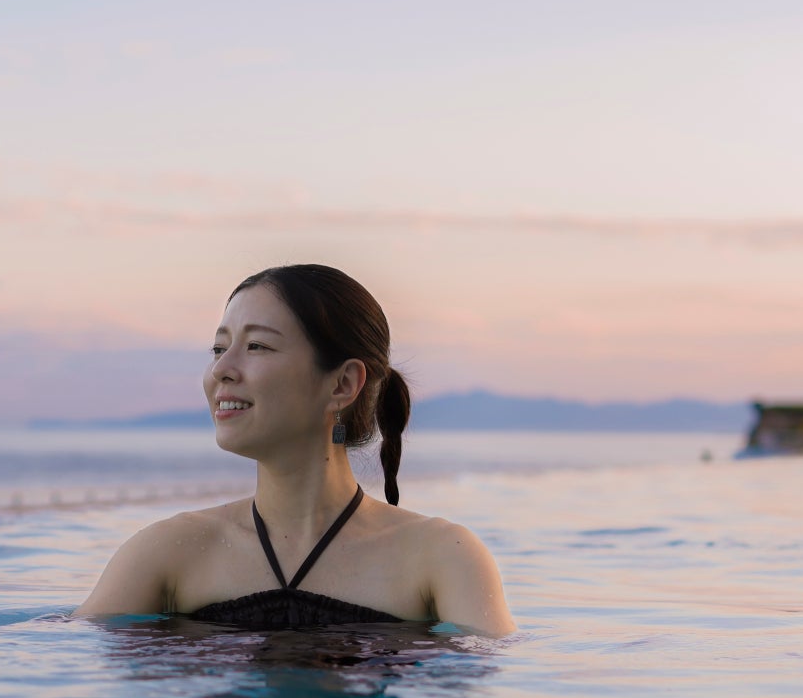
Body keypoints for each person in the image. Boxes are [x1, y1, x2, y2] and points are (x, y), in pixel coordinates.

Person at [75, 264, 516, 636]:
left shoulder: (441, 557)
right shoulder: (168, 552)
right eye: (218, 347)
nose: (220, 370)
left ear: (342, 384)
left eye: (256, 346)